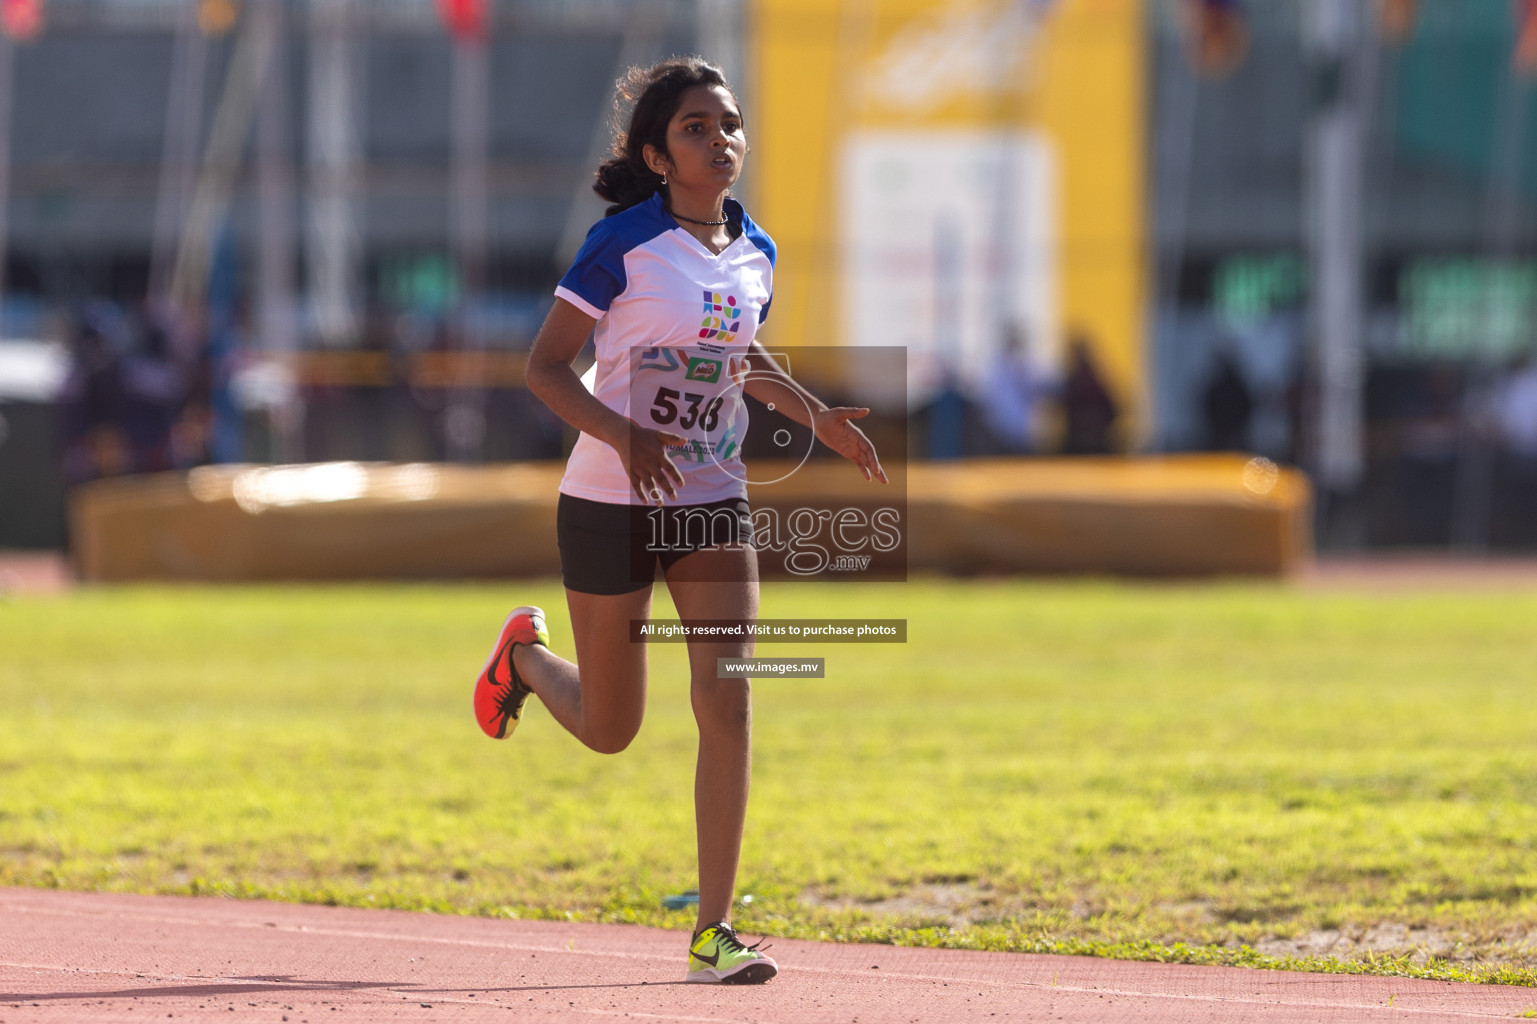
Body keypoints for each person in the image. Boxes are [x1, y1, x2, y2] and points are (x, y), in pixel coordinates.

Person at [471, 57, 886, 985]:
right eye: (697, 128)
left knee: (727, 695)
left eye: (729, 123)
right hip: (608, 502)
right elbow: (543, 370)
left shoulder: (756, 251)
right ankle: (525, 661)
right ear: (659, 155)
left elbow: (737, 356)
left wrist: (813, 413)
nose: (721, 139)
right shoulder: (620, 243)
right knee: (614, 727)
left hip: (710, 499)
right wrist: (625, 436)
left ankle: (713, 930)